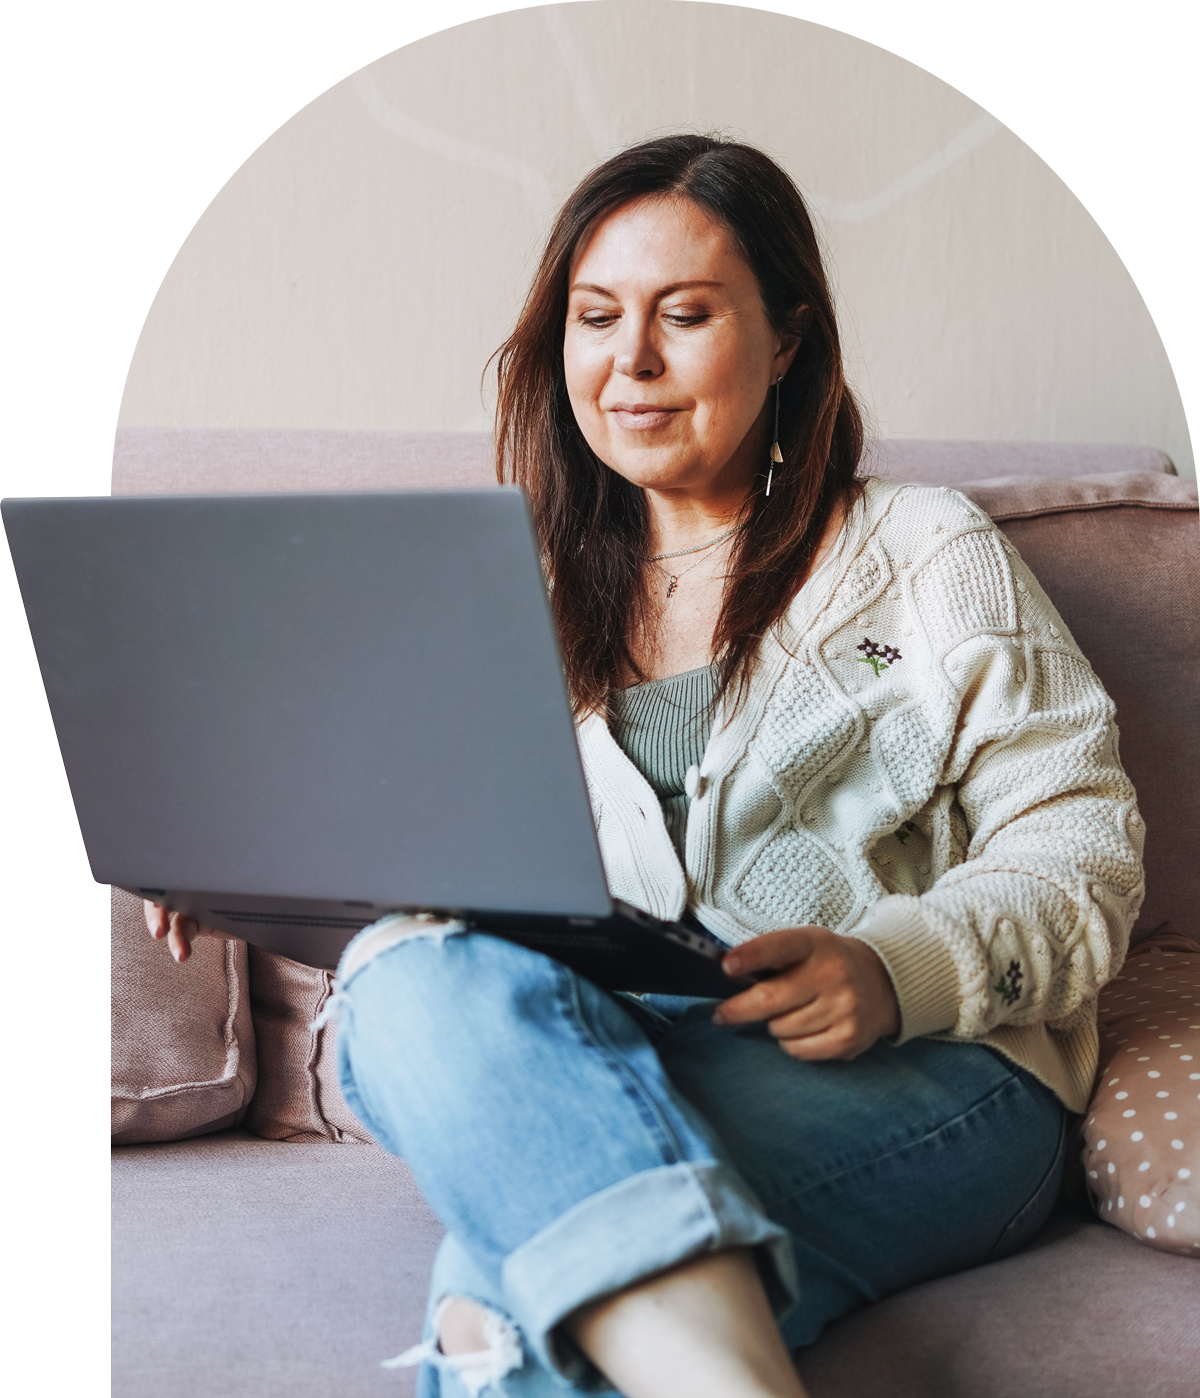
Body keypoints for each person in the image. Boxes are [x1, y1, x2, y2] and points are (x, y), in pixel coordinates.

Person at [147, 135, 1143, 1398]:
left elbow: (1081, 853)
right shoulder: (509, 605)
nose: (631, 363)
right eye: (596, 317)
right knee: (399, 975)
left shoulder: (926, 549)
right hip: (610, 1051)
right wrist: (266, 878)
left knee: (497, 1302)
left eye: (685, 315)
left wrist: (898, 969)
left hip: (935, 1072)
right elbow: (454, 904)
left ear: (787, 338)